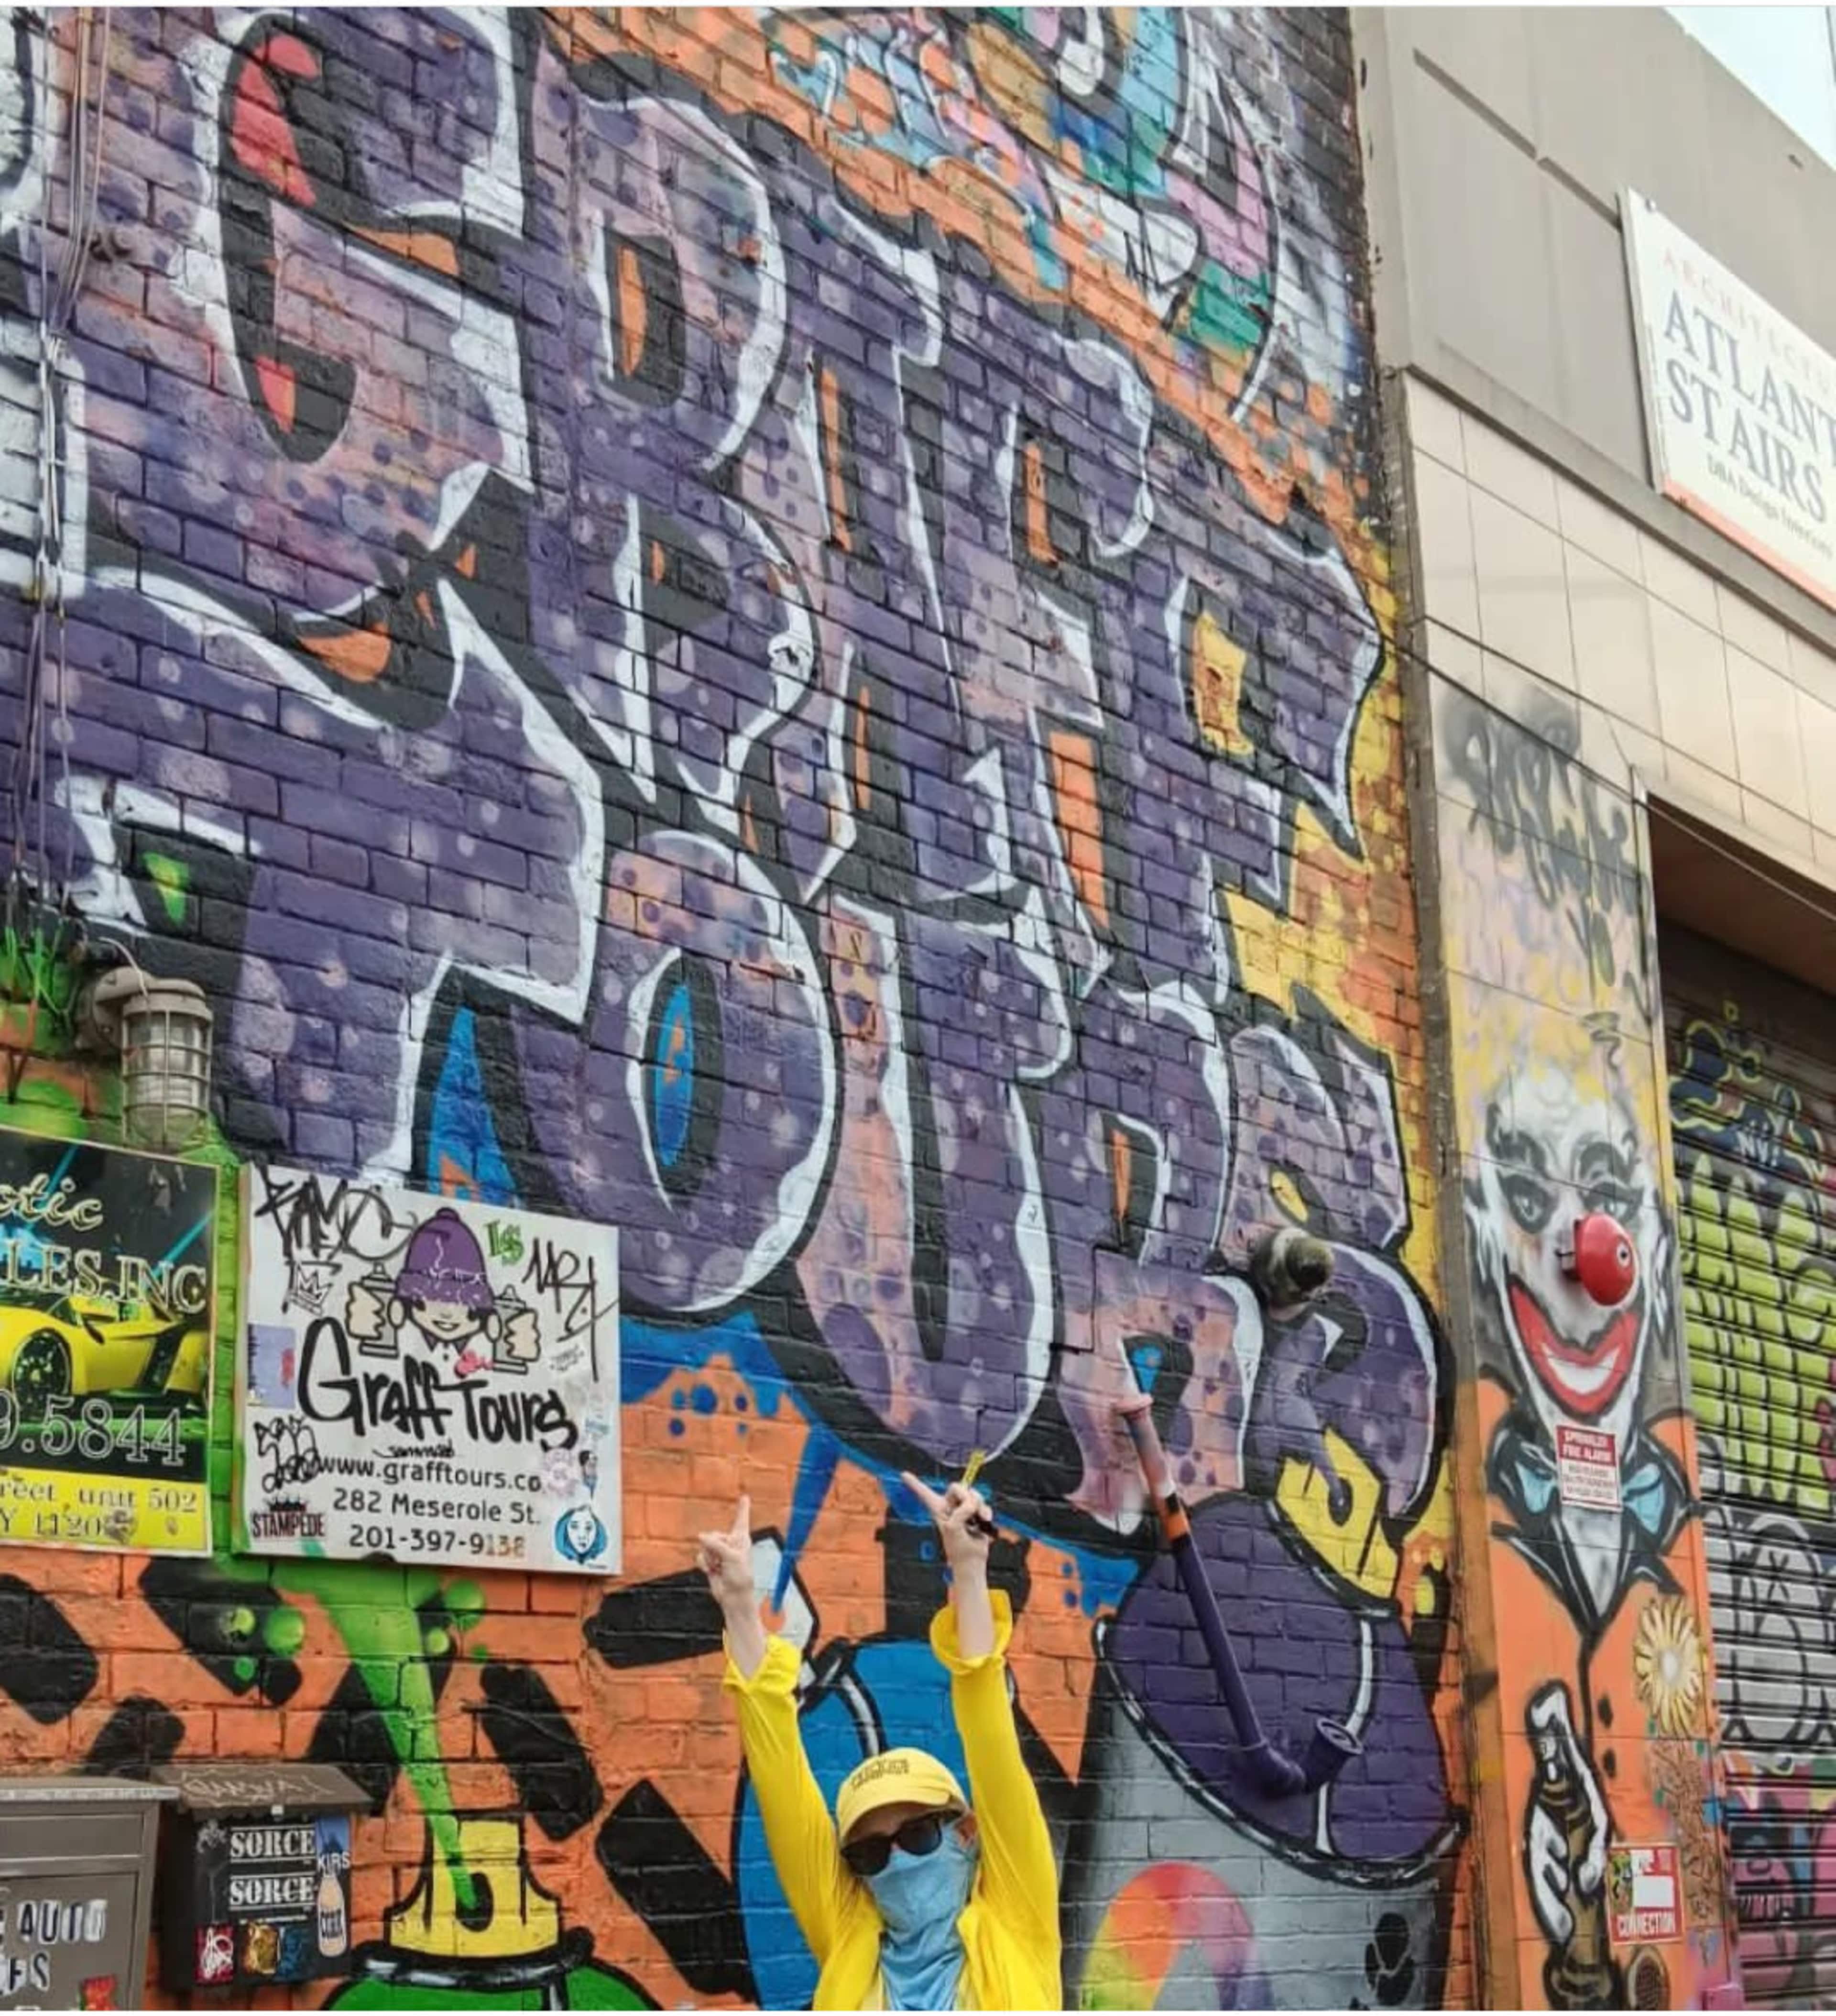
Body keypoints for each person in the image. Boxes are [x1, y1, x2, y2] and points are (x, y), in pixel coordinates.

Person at [698, 1474, 1061, 2011]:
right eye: (869, 1853)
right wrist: (738, 1607)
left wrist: (967, 1568)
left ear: (965, 1830)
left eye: (917, 1835)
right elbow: (781, 1783)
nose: (898, 1865)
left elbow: (990, 1731)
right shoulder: (850, 1939)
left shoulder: (1015, 1915)